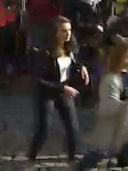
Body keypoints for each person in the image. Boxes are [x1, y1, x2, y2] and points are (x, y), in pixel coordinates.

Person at [82, 35, 128, 171]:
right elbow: (108, 107)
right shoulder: (110, 79)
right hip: (111, 131)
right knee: (96, 160)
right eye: (127, 57)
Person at [28, 16, 90, 164]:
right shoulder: (44, 52)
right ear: (55, 32)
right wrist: (62, 88)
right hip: (47, 93)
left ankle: (72, 157)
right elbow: (39, 79)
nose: (67, 34)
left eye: (69, 30)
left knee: (73, 128)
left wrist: (82, 67)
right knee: (44, 130)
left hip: (64, 92)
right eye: (63, 31)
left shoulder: (71, 47)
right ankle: (32, 154)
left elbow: (74, 61)